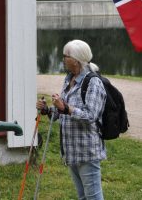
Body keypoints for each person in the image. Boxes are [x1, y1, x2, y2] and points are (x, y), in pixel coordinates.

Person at [37, 39, 106, 200]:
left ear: (76, 60)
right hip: (71, 150)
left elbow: (90, 116)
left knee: (93, 197)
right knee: (82, 196)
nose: (63, 59)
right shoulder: (69, 79)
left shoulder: (93, 82)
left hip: (87, 150)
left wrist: (66, 108)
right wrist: (48, 109)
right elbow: (61, 112)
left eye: (65, 56)